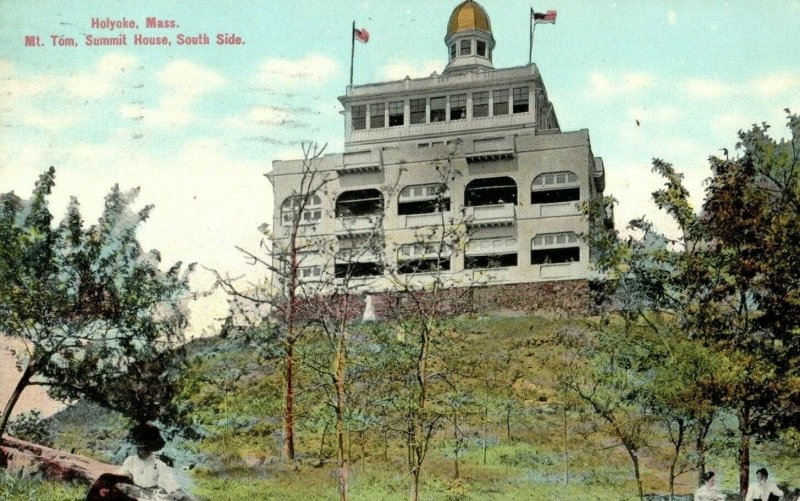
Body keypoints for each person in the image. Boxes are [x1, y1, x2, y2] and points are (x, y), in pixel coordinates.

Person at [117, 423, 182, 497]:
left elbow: (166, 480)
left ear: (151, 449)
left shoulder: (159, 465)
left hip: (151, 495)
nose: (141, 452)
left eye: (145, 449)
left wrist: (173, 491)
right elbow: (123, 474)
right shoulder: (130, 460)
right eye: (139, 449)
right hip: (133, 492)